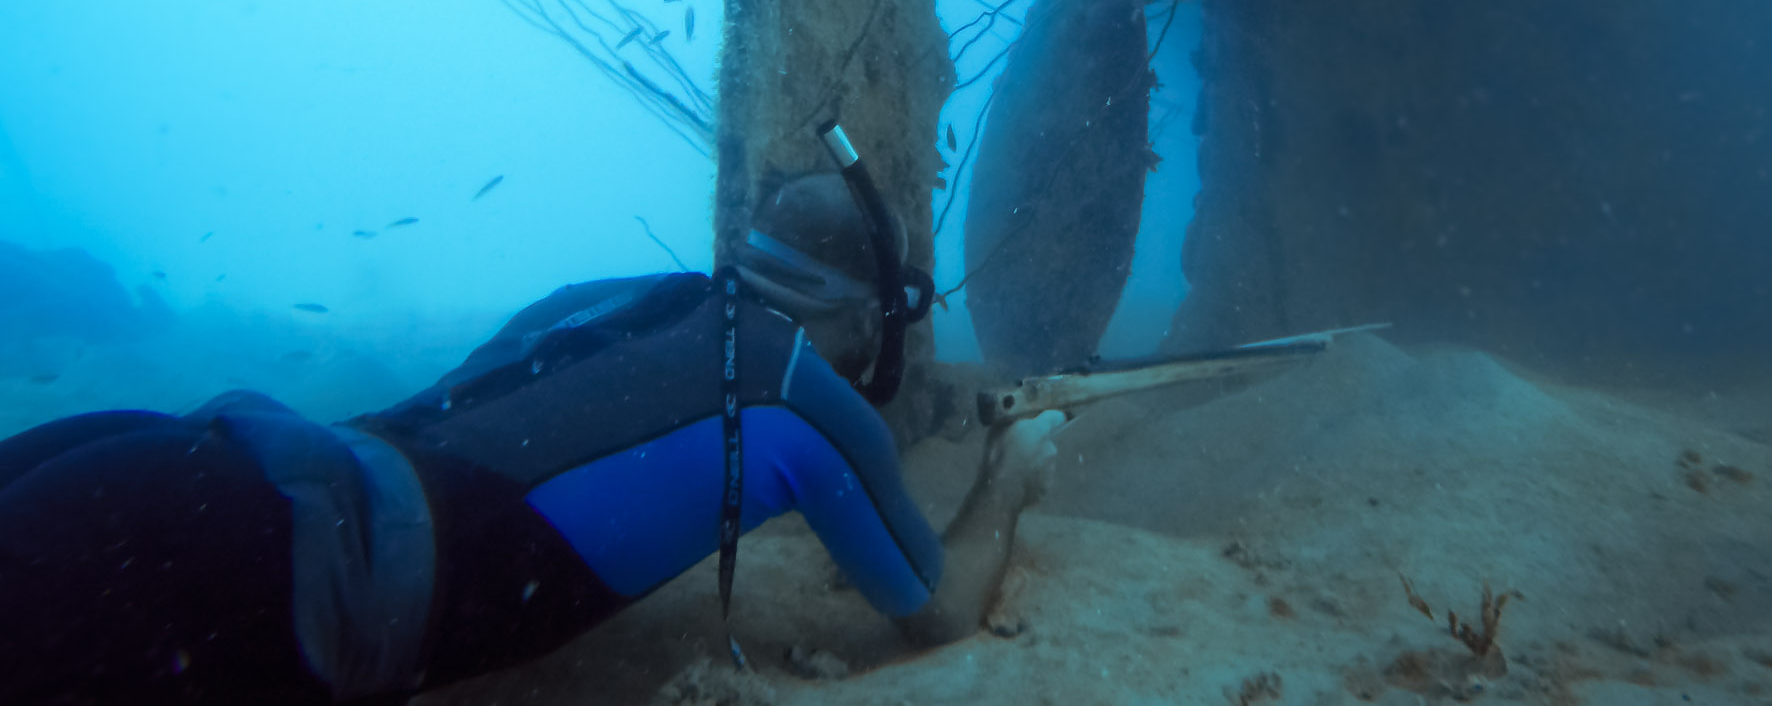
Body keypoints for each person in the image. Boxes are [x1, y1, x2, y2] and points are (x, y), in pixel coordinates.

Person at [0, 166, 1065, 704]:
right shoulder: (800, 394)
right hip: (257, 580)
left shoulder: (606, 296)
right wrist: (1008, 473)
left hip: (175, 466)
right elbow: (933, 608)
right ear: (861, 311)